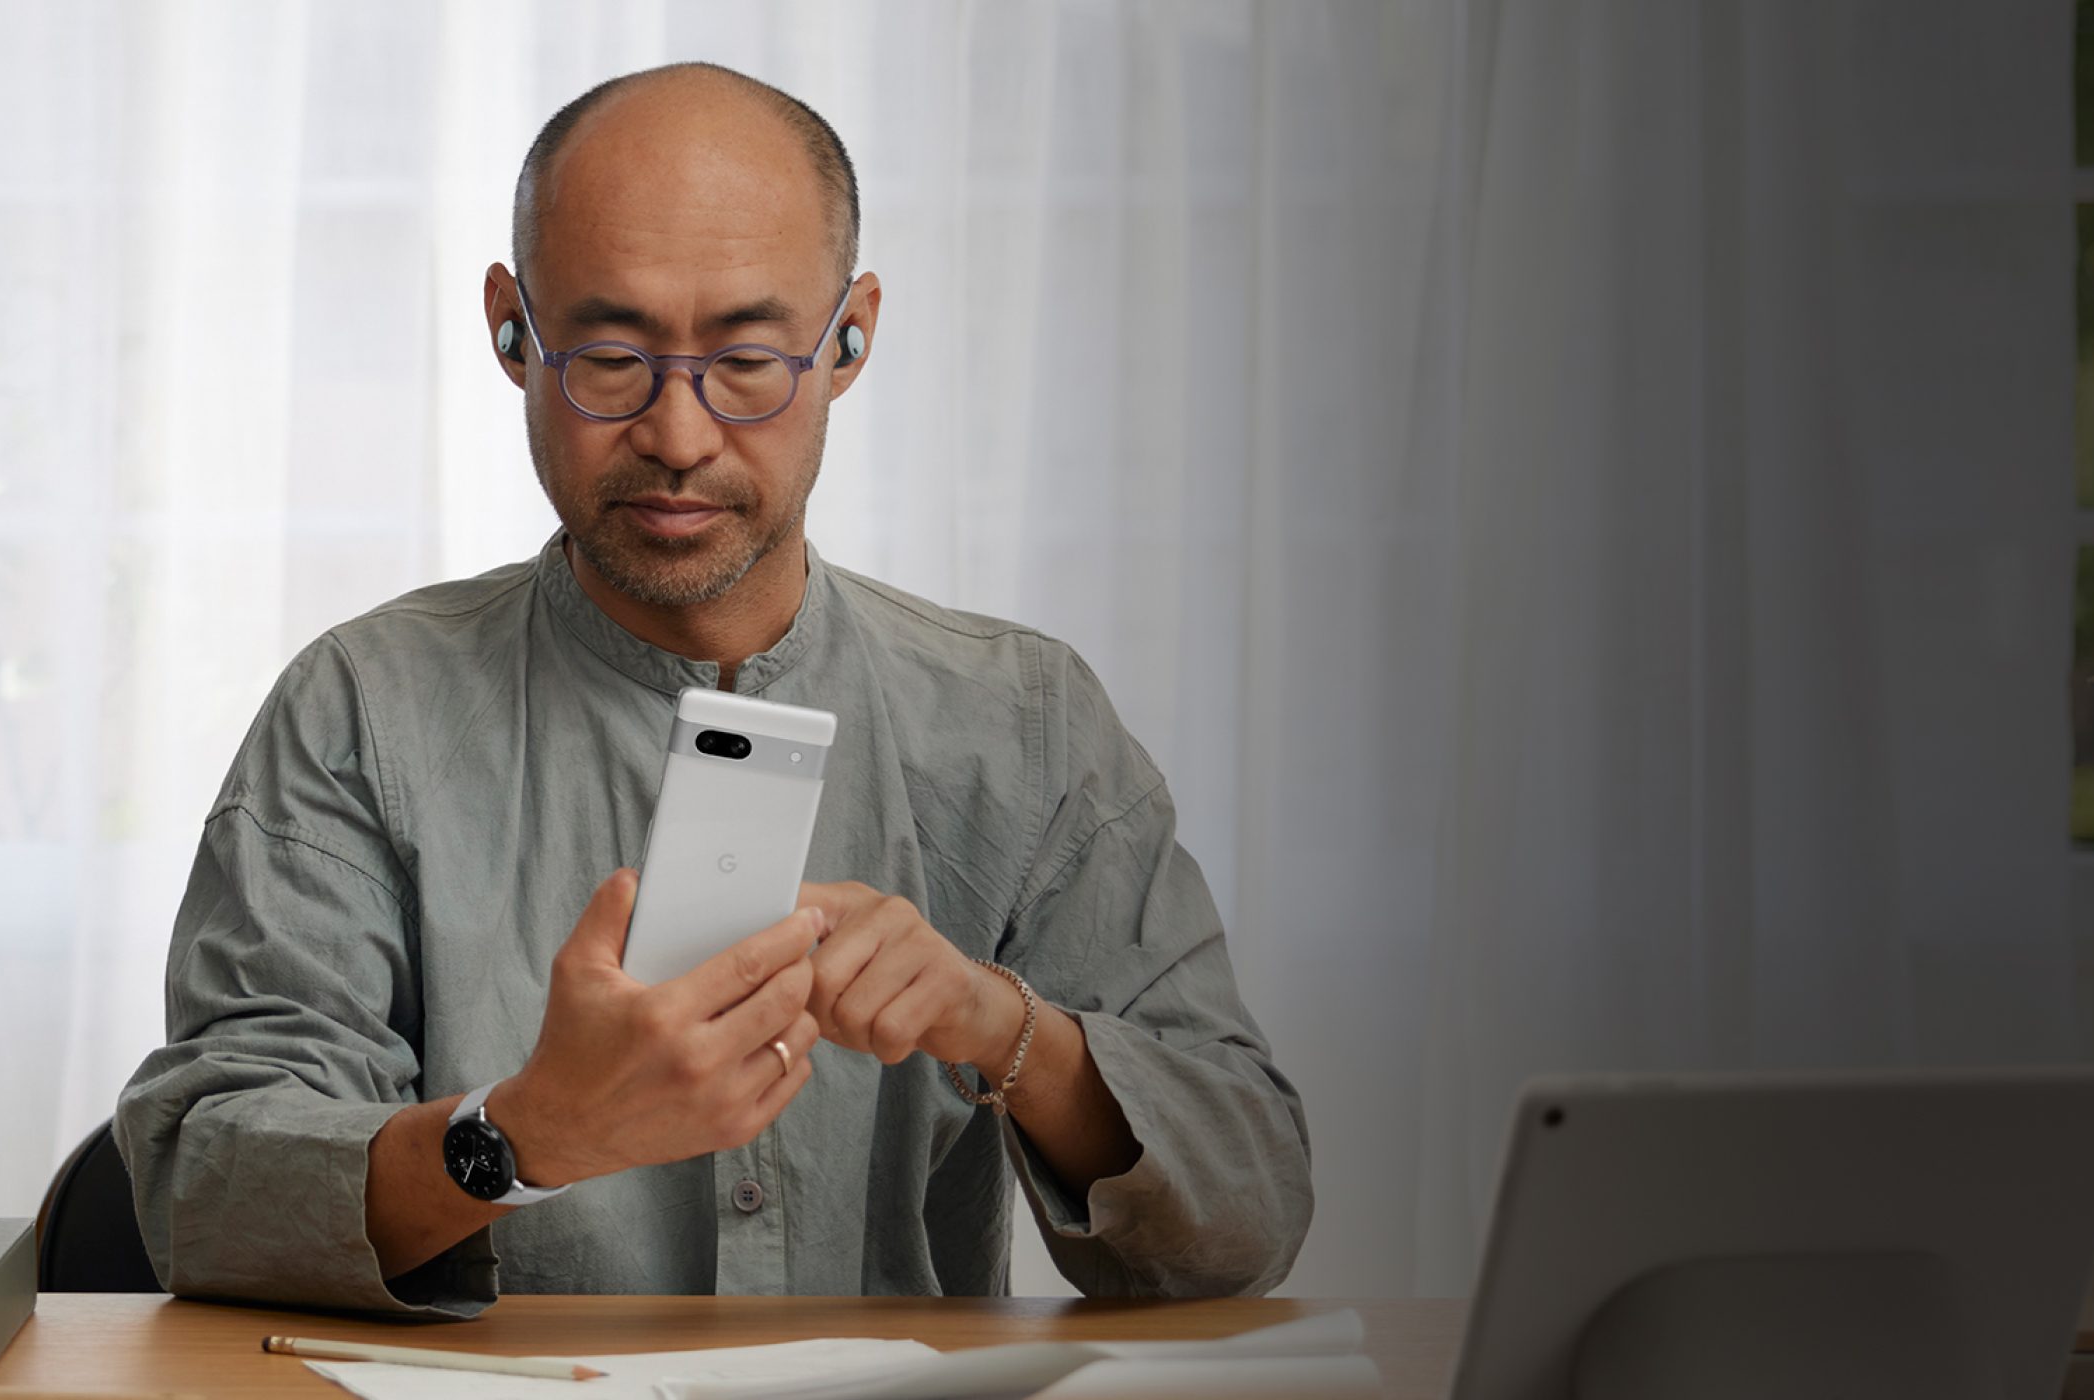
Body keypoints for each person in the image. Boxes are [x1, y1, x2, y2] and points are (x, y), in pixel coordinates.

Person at [116, 62, 1311, 1316]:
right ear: (511, 331)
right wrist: (521, 1136)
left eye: (747, 358)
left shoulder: (1027, 724)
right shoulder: (361, 711)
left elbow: (1253, 1206)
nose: (680, 437)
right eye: (613, 355)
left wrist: (997, 1024)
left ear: (848, 337)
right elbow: (202, 1188)